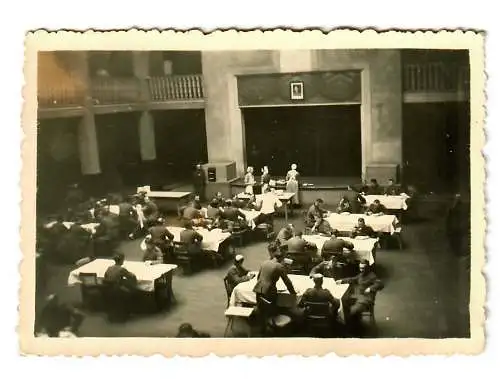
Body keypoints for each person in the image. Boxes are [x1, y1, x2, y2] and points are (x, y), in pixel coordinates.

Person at [336, 259, 384, 327]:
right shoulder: (361, 274)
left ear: (367, 268)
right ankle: (352, 323)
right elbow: (353, 279)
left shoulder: (372, 276)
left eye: (363, 268)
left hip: (366, 299)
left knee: (352, 311)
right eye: (360, 268)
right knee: (343, 303)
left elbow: (380, 284)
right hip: (358, 296)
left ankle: (351, 328)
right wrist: (341, 281)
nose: (361, 270)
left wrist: (370, 288)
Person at [103, 253, 138, 322]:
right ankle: (127, 312)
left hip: (107, 290)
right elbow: (132, 277)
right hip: (117, 290)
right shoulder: (121, 269)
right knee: (131, 291)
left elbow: (105, 277)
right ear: (122, 260)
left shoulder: (109, 268)